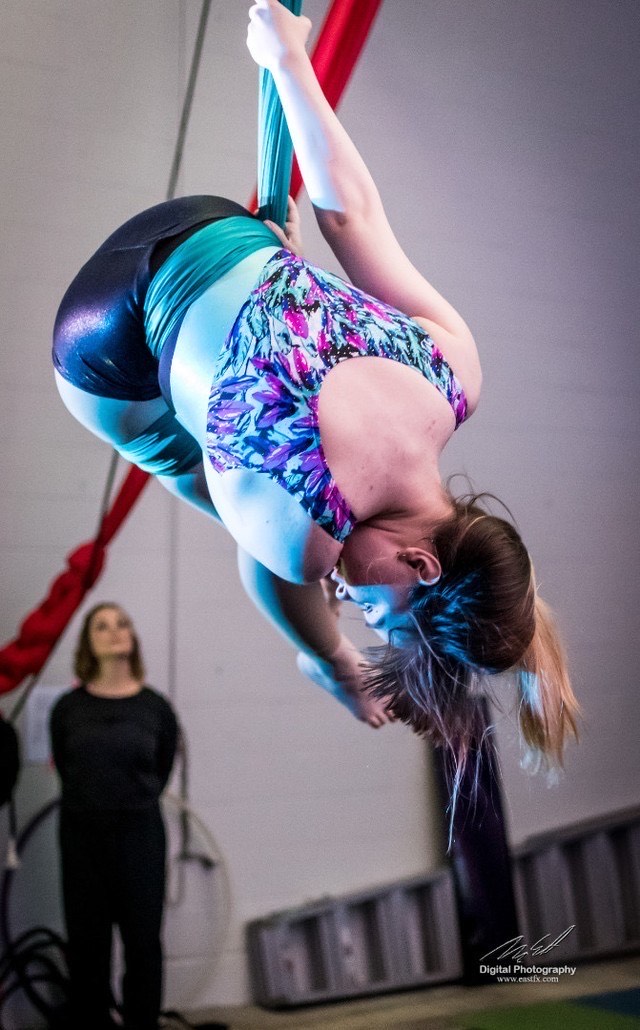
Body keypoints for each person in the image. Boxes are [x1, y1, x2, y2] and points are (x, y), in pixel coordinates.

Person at [52, 0, 577, 778]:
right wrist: (334, 645)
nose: (357, 600)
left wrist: (288, 58)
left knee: (284, 514)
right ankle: (329, 665)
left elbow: (350, 216)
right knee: (273, 546)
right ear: (421, 565)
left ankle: (255, 320)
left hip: (216, 227)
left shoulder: (455, 373)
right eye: (376, 612)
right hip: (102, 343)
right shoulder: (298, 530)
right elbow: (273, 566)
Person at [50, 603, 178, 1030]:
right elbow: (67, 768)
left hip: (139, 836)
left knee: (143, 944)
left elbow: (160, 770)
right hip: (82, 837)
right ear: (88, 642)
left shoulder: (155, 708)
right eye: (101, 626)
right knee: (88, 946)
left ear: (133, 636)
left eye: (122, 623)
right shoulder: (68, 708)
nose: (114, 632)